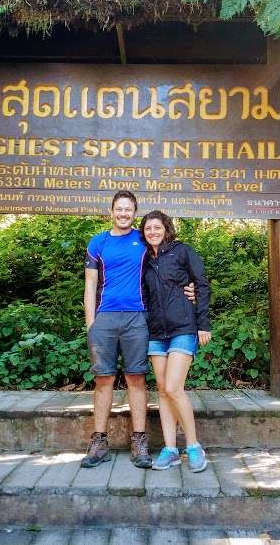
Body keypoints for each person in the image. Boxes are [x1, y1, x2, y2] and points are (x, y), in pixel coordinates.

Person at [81, 190, 152, 469]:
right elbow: (90, 285)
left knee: (137, 378)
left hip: (137, 318)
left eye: (128, 210)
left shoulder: (144, 240)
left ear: (135, 213)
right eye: (119, 209)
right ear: (111, 211)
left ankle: (139, 442)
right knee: (103, 379)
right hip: (105, 319)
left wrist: (191, 288)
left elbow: (168, 270)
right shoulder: (98, 242)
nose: (123, 214)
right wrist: (91, 324)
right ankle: (99, 442)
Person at [139, 210, 211, 473]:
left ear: (166, 229)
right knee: (162, 390)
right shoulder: (145, 260)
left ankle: (193, 446)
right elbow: (144, 295)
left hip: (183, 327)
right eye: (148, 228)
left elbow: (202, 285)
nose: (153, 232)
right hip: (156, 332)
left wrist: (203, 323)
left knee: (173, 387)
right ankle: (170, 450)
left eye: (157, 227)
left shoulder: (183, 251)